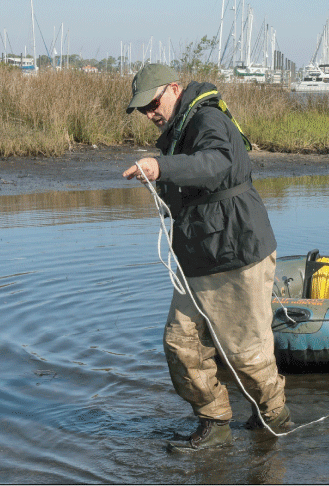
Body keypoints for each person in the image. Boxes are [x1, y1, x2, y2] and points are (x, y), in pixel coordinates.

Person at [122, 64, 289, 452]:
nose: (150, 114)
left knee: (245, 354)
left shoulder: (208, 119)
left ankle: (274, 417)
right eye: (143, 109)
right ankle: (213, 422)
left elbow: (215, 161)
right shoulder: (176, 130)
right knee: (181, 344)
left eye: (152, 103)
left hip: (237, 249)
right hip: (197, 254)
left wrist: (161, 165)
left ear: (174, 89)